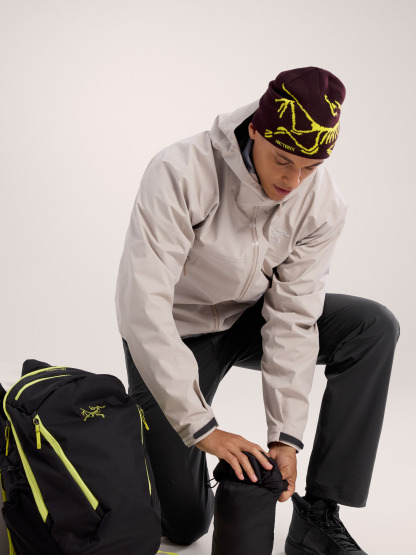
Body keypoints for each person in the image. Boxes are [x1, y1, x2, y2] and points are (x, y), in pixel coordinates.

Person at [115, 67, 400, 554]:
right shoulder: (180, 171)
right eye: (283, 160)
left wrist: (285, 436)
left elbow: (293, 316)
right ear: (254, 130)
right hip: (174, 329)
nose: (293, 180)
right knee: (184, 526)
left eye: (309, 167)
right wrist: (202, 428)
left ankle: (318, 515)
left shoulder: (321, 203)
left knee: (373, 326)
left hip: (248, 318)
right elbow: (142, 305)